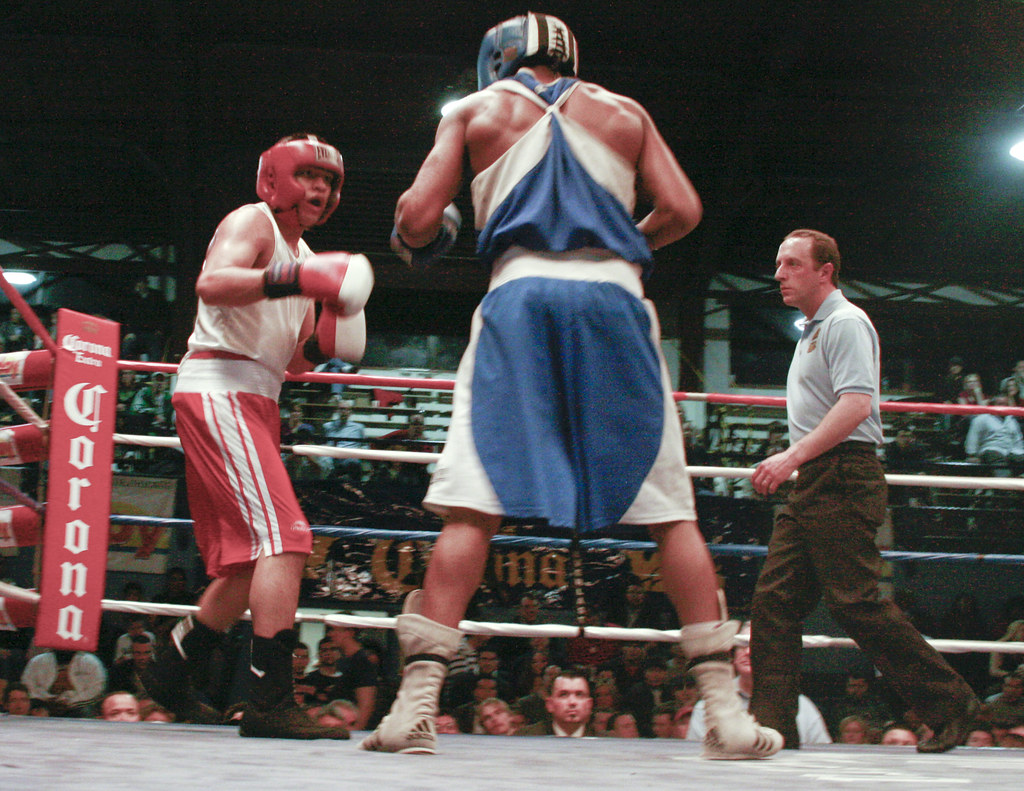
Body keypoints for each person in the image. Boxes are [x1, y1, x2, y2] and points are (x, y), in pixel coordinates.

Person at [361, 12, 780, 759]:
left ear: (500, 59)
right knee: (670, 509)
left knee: (473, 503)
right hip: (616, 299)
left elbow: (419, 219)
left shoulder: (474, 110)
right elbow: (683, 210)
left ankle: (413, 709)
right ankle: (726, 715)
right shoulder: (626, 112)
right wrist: (617, 241)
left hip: (521, 294)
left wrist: (424, 229)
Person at [142, 133, 372, 740]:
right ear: (275, 179)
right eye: (310, 176)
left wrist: (331, 329)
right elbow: (213, 284)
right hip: (220, 384)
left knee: (249, 559)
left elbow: (295, 362)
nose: (321, 189)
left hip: (256, 397)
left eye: (330, 182)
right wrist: (299, 278)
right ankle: (270, 699)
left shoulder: (303, 256)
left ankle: (172, 666)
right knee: (287, 536)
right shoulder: (253, 222)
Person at [748, 228, 980, 753]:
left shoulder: (847, 323)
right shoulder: (814, 328)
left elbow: (857, 405)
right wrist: (798, 463)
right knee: (774, 601)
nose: (779, 274)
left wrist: (790, 457)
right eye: (779, 264)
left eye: (791, 264)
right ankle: (773, 726)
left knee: (854, 601)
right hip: (817, 478)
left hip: (839, 474)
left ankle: (951, 702)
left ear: (824, 270)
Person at [686, 625, 831, 746]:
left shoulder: (803, 707)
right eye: (742, 645)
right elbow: (694, 753)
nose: (748, 652)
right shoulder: (707, 705)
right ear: (734, 655)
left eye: (756, 645)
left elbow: (821, 754)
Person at [21, 648, 107, 718]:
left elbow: (97, 688)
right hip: (43, 703)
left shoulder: (91, 661)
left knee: (85, 712)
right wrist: (46, 699)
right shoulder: (37, 661)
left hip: (79, 706)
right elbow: (27, 685)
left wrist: (71, 702)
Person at [515, 670, 596, 737]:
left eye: (579, 695)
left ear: (589, 704)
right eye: (563, 695)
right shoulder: (525, 738)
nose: (572, 702)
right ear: (550, 704)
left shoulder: (605, 740)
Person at [964, 396, 1024, 468]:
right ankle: (1001, 479)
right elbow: (973, 437)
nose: (1003, 407)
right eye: (1000, 404)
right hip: (991, 449)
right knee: (997, 459)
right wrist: (972, 455)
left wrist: (1020, 452)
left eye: (1005, 404)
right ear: (993, 405)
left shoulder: (1011, 419)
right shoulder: (982, 418)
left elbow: (1017, 439)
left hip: (1011, 451)